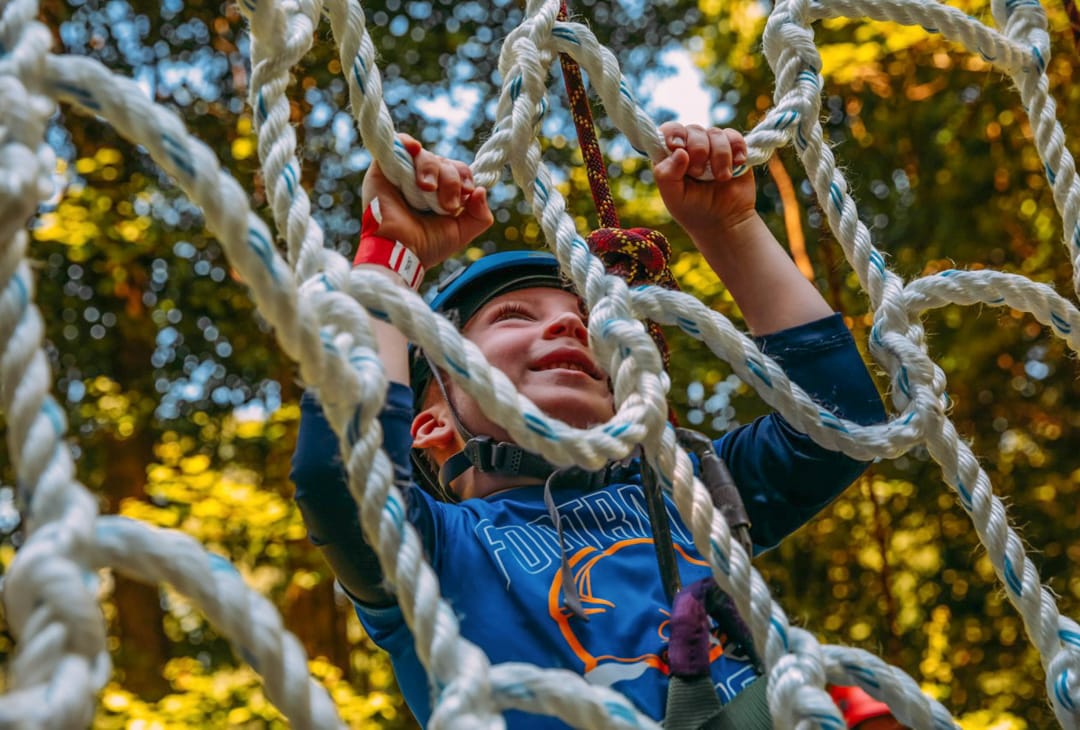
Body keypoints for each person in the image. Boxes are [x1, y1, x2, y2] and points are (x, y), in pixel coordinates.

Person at [290, 123, 886, 728]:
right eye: (515, 316)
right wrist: (392, 259)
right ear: (429, 427)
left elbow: (840, 424)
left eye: (585, 320)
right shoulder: (440, 551)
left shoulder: (684, 496)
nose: (575, 328)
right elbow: (339, 473)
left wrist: (730, 228)